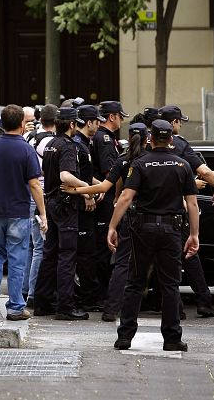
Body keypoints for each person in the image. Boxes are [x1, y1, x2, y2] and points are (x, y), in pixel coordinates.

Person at [110, 119, 199, 352]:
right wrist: (194, 234)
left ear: (151, 138)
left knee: (135, 282)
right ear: (171, 139)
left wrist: (112, 226)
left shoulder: (140, 164)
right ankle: (171, 339)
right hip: (171, 230)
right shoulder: (182, 166)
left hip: (143, 230)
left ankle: (125, 337)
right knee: (170, 285)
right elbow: (192, 203)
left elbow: (126, 197)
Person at [62, 122, 149, 322]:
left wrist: (78, 191)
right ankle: (173, 310)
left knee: (121, 264)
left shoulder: (123, 160)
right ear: (147, 139)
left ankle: (110, 309)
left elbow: (103, 187)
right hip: (155, 219)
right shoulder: (153, 159)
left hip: (130, 218)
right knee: (160, 265)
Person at [0, 105, 47, 320]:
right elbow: (35, 184)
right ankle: (15, 306)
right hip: (18, 210)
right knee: (17, 258)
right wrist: (43, 213)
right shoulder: (26, 149)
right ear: (22, 124)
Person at [158, 105, 214, 318]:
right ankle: (204, 302)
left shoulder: (146, 145)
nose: (180, 125)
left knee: (161, 262)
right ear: (173, 123)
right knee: (190, 257)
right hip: (178, 213)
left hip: (149, 214)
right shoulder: (181, 146)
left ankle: (173, 307)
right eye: (179, 121)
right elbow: (204, 171)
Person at [34, 107, 90, 320]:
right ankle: (66, 306)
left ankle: (43, 302)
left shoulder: (50, 145)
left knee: (50, 254)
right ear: (72, 125)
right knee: (67, 255)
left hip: (52, 203)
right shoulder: (67, 146)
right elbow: (66, 175)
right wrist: (86, 190)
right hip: (65, 206)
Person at [91, 101, 128, 301]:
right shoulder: (104, 138)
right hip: (105, 199)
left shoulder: (105, 137)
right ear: (112, 117)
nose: (122, 120)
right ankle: (102, 294)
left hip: (104, 197)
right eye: (121, 116)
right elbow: (111, 172)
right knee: (104, 248)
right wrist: (117, 195)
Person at [23, 104, 58, 307]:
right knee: (40, 246)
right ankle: (34, 294)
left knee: (29, 246)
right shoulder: (50, 141)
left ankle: (25, 289)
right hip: (40, 193)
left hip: (26, 192)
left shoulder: (29, 137)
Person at [72, 104, 105, 310]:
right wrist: (88, 195)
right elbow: (74, 175)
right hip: (80, 205)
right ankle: (86, 298)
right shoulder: (78, 144)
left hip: (86, 198)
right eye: (97, 121)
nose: (99, 125)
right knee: (85, 255)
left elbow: (84, 173)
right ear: (89, 122)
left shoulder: (85, 143)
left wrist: (97, 185)